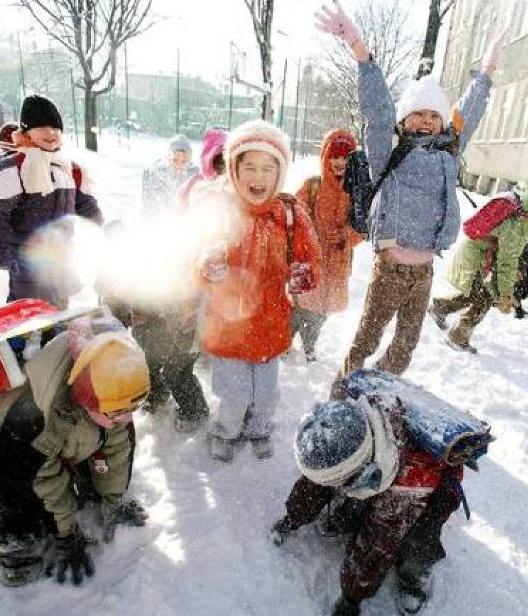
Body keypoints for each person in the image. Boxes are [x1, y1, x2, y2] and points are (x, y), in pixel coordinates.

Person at [316, 2, 507, 384]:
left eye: (434, 115)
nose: (427, 120)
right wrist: (361, 52)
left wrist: (486, 74)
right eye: (418, 113)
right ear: (404, 120)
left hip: (423, 272)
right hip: (389, 269)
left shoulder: (450, 152)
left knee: (405, 349)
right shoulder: (389, 150)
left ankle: (376, 393)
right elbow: (378, 110)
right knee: (366, 341)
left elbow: (468, 113)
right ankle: (343, 391)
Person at [0, 326, 151, 587]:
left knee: (101, 444)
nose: (125, 417)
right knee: (16, 495)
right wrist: (66, 535)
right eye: (117, 412)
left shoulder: (108, 387)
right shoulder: (33, 422)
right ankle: (15, 548)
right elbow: (46, 480)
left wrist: (113, 500)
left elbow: (115, 450)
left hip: (63, 423)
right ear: (86, 399)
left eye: (130, 410)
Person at [188, 119, 320, 462]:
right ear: (233, 168)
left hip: (271, 324)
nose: (258, 177)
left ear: (280, 173)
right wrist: (205, 266)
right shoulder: (217, 210)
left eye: (267, 168)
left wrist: (305, 274)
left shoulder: (290, 214)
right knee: (232, 394)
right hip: (227, 328)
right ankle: (226, 431)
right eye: (249, 167)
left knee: (266, 394)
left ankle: (259, 428)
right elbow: (190, 262)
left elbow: (310, 260)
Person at [270, 394, 467, 616]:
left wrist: (351, 598)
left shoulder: (409, 481)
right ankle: (354, 507)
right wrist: (294, 516)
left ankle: (413, 575)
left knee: (417, 538)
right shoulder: (342, 433)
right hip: (382, 466)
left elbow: (376, 544)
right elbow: (316, 483)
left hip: (428, 492)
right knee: (353, 505)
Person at [0, 94, 103, 308]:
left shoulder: (68, 168)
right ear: (26, 131)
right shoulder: (15, 167)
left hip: (61, 253)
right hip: (26, 257)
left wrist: (98, 225)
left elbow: (84, 203)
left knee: (58, 300)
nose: (51, 133)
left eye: (56, 128)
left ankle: (55, 334)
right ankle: (21, 339)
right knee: (28, 305)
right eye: (42, 127)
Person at [427, 177, 528, 353]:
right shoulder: (523, 219)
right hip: (478, 255)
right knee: (483, 296)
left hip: (483, 252)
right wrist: (505, 294)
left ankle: (442, 311)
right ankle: (455, 334)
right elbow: (507, 261)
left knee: (480, 294)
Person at [134, 136, 211, 432]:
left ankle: (193, 409)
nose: (178, 159)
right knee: (150, 343)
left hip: (185, 298)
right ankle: (156, 394)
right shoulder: (154, 178)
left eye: (183, 155)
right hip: (159, 270)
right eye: (174, 155)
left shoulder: (194, 186)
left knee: (178, 361)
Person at [290, 129, 362, 362]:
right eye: (335, 156)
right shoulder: (312, 186)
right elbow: (294, 218)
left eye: (346, 157)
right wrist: (310, 234)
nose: (340, 162)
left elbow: (365, 227)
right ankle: (283, 342)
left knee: (321, 310)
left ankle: (310, 343)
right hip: (308, 260)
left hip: (337, 265)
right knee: (297, 305)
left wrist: (346, 236)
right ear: (325, 156)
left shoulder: (357, 191)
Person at [141, 134, 198, 214]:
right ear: (168, 158)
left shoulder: (193, 175)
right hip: (158, 215)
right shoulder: (157, 173)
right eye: (175, 160)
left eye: (184, 162)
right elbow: (152, 202)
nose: (179, 165)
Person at [177, 128, 228, 206]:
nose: (224, 166)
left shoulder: (235, 184)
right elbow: (179, 207)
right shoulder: (194, 184)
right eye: (220, 161)